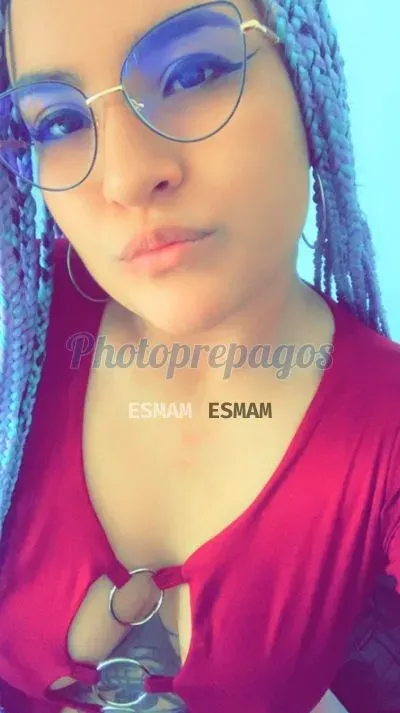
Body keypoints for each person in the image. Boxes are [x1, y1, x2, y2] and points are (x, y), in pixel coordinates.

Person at [0, 0, 398, 711]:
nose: (124, 178)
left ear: (306, 78)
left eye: (191, 73)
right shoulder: (18, 334)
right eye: (58, 122)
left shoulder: (385, 422)